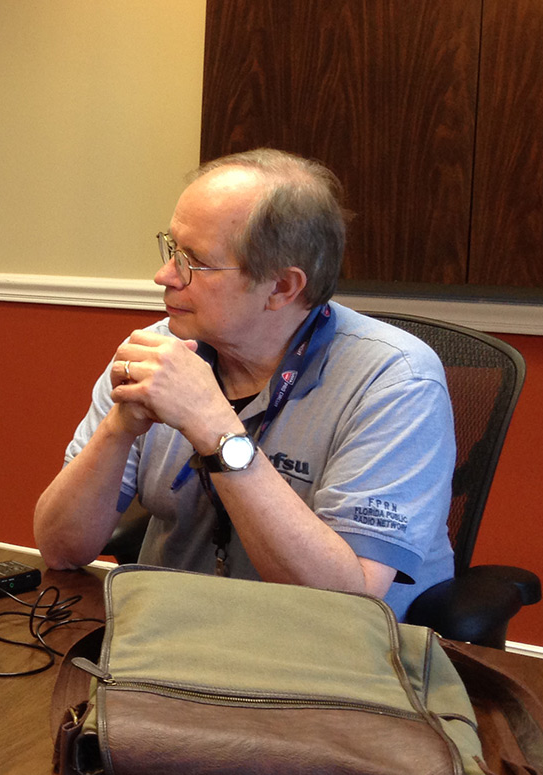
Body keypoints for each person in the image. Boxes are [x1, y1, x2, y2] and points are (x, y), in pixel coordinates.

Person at [32, 149, 453, 618]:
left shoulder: (396, 379)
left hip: (329, 663)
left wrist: (215, 429)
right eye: (172, 249)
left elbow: (348, 603)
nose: (164, 276)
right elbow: (60, 549)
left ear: (282, 288)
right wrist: (119, 427)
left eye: (194, 260)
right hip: (169, 639)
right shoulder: (160, 352)